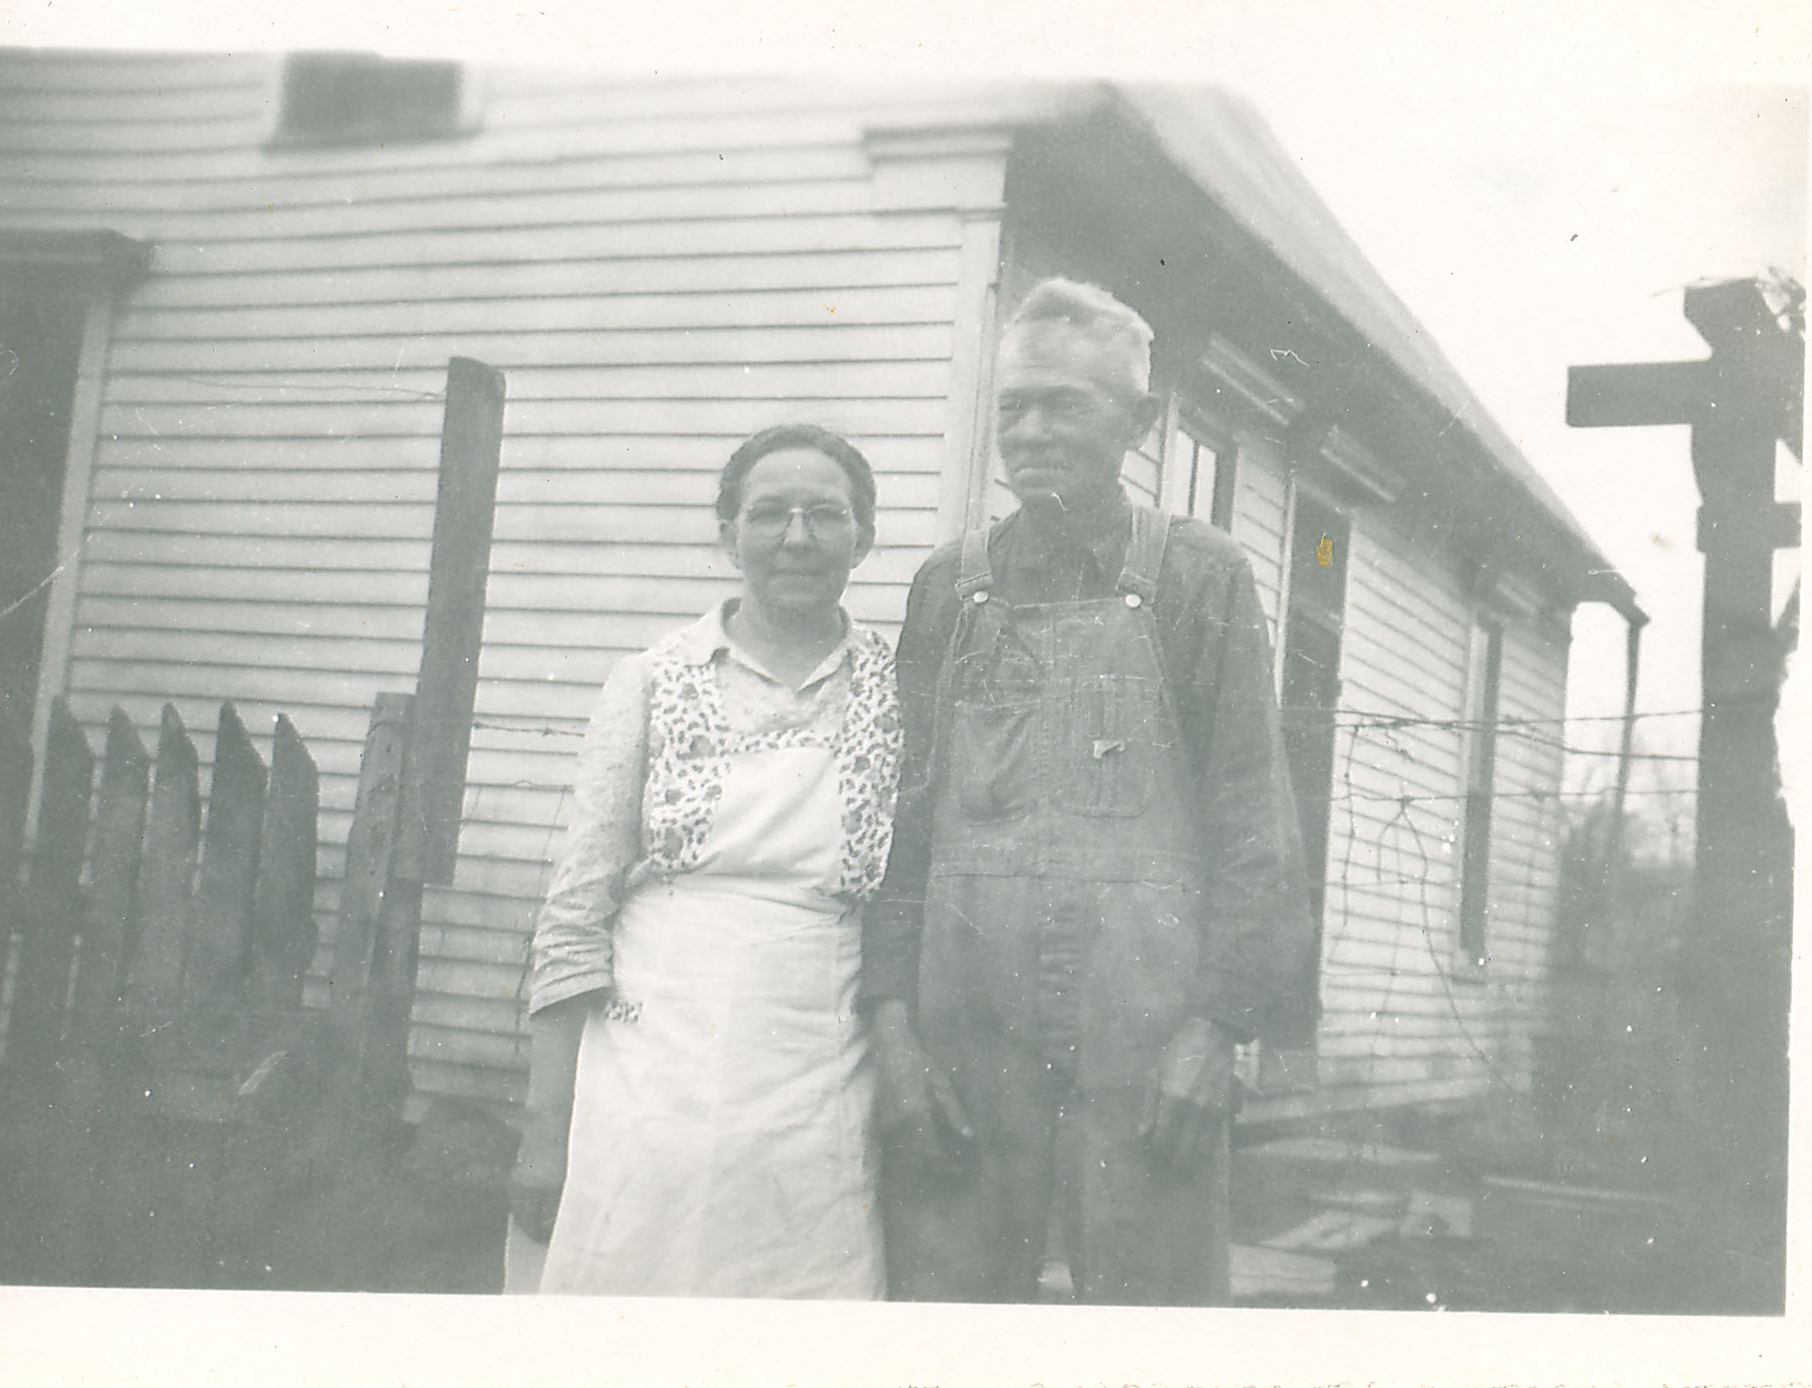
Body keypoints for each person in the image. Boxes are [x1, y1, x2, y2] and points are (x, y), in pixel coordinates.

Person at [865, 279, 1315, 1305]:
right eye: (1014, 406)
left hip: (1148, 1031)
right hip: (963, 1032)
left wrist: (1217, 1029)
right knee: (946, 1323)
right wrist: (891, 1035)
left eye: (1063, 404)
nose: (1030, 431)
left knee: (1152, 1326)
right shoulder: (947, 587)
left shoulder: (1202, 576)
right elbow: (899, 825)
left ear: (1137, 422)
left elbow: (1254, 822)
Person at [507, 423, 901, 1298]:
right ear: (728, 535)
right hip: (651, 1056)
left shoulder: (896, 684)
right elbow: (575, 911)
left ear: (864, 537)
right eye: (768, 514)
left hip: (818, 1061)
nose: (796, 538)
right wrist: (544, 1128)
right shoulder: (654, 679)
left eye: (824, 515)